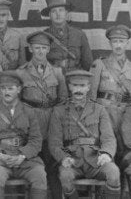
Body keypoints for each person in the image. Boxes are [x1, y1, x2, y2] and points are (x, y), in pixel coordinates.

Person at [48, 70, 120, 199]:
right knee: (65, 176)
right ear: (69, 87)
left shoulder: (99, 110)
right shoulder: (59, 111)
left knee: (113, 172)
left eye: (82, 86)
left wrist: (106, 154)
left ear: (88, 87)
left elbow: (108, 138)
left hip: (96, 160)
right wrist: (63, 158)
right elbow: (54, 142)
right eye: (75, 85)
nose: (78, 90)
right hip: (72, 160)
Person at [0, 71, 47, 199]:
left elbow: (36, 139)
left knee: (39, 174)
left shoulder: (29, 112)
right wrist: (0, 155)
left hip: (25, 159)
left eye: (10, 88)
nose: (6, 92)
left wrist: (22, 156)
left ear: (19, 89)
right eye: (3, 88)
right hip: (1, 159)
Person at [16, 31, 67, 137]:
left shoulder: (57, 72)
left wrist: (56, 117)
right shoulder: (21, 73)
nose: (40, 51)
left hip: (51, 119)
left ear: (48, 50)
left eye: (44, 48)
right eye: (37, 48)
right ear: (30, 49)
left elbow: (63, 99)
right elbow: (16, 101)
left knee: (50, 150)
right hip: (30, 118)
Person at [42, 0, 93, 71]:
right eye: (54, 11)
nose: (58, 14)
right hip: (52, 79)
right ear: (49, 15)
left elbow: (88, 64)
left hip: (75, 79)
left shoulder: (79, 34)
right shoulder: (43, 36)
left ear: (66, 13)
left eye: (61, 10)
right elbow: (38, 64)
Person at [0, 0, 26, 69]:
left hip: (12, 77)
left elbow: (23, 65)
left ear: (8, 16)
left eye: (4, 15)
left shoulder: (17, 36)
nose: (1, 19)